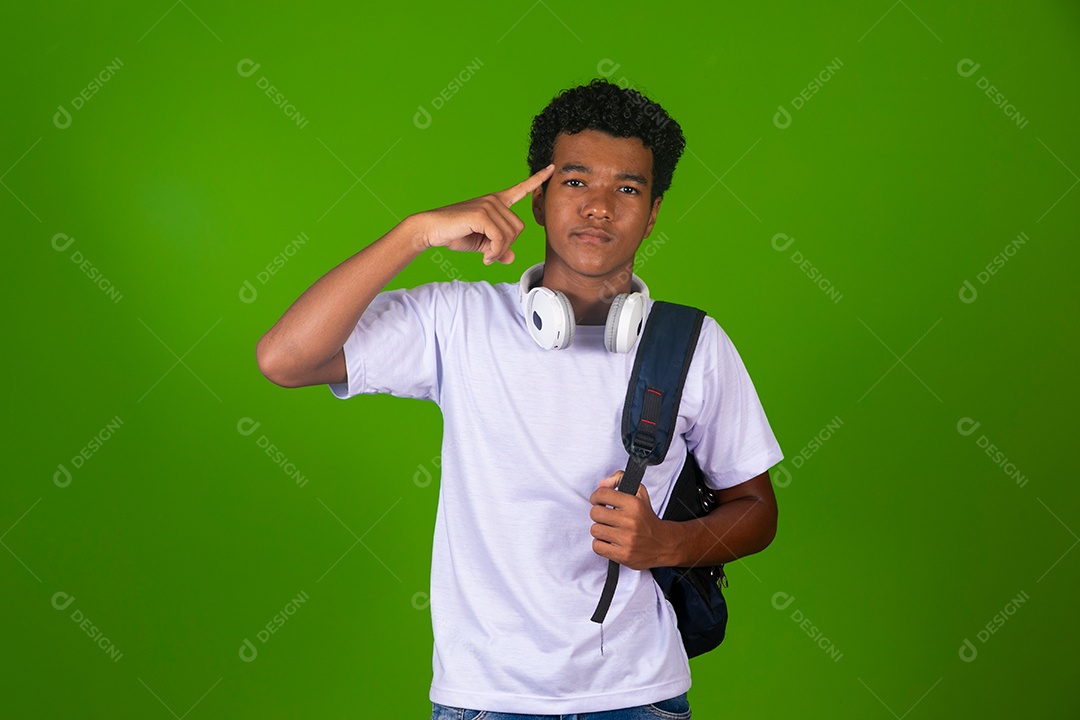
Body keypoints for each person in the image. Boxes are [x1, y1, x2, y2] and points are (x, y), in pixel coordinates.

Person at [257, 78, 783, 719]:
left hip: (639, 695)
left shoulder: (692, 342)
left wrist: (664, 544)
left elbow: (757, 509)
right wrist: (415, 233)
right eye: (575, 181)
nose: (598, 208)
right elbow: (284, 358)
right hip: (485, 699)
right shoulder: (457, 319)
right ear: (538, 200)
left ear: (652, 213)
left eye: (627, 189)